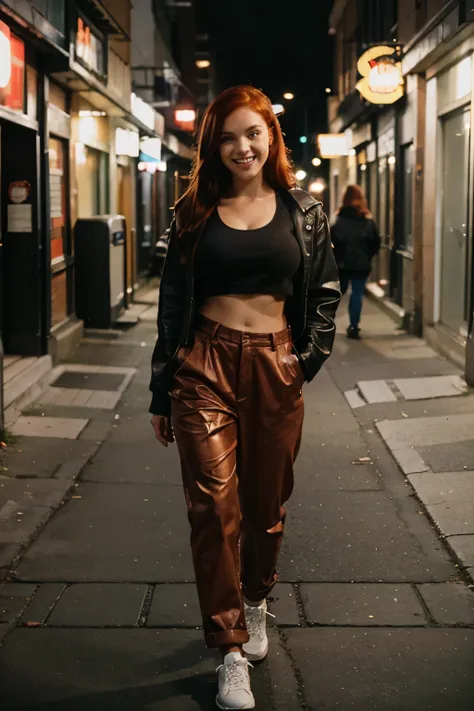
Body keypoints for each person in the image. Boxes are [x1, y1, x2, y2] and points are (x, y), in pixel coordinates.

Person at [149, 85, 341, 710]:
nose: (242, 147)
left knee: (264, 505)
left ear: (270, 139)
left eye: (252, 133)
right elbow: (173, 302)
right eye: (228, 136)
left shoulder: (302, 210)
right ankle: (230, 648)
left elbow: (324, 294)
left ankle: (256, 600)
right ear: (213, 145)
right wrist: (162, 388)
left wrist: (302, 360)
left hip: (275, 364)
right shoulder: (192, 213)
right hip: (202, 365)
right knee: (213, 507)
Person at [331, 184, 380, 339]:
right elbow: (375, 242)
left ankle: (326, 323)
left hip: (342, 264)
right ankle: (354, 325)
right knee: (357, 293)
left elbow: (331, 240)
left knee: (337, 293)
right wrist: (366, 256)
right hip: (360, 263)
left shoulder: (338, 218)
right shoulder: (367, 219)